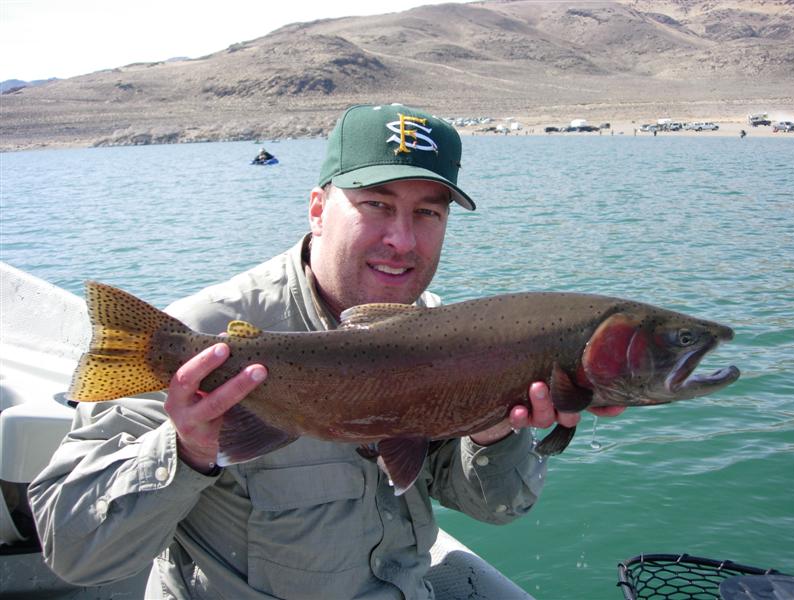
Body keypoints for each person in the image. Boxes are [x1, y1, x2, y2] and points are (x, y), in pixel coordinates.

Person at [29, 103, 624, 599]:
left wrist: (493, 430)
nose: (401, 239)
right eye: (377, 205)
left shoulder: (441, 334)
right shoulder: (198, 338)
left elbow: (491, 507)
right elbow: (71, 549)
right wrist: (184, 449)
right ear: (318, 209)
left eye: (427, 213)